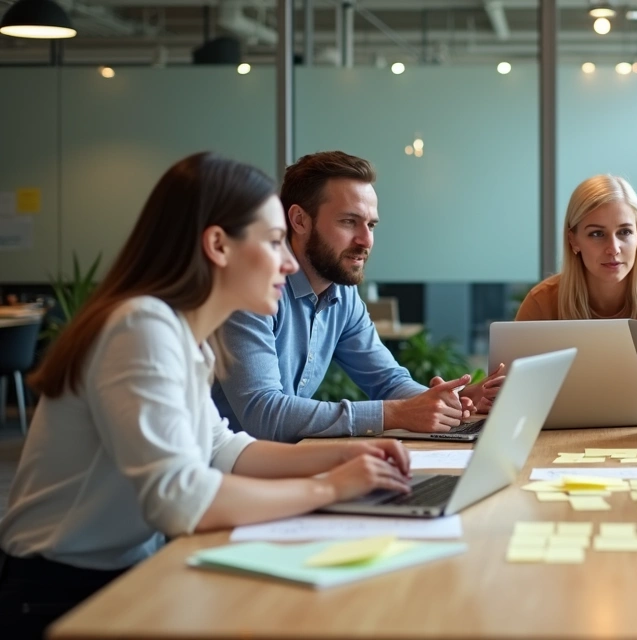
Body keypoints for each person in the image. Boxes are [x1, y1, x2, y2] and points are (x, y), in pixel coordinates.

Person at [0, 153, 416, 638]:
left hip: (126, 571)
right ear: (218, 245)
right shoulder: (140, 328)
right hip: (56, 592)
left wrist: (351, 454)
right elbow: (180, 499)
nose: (288, 262)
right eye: (274, 241)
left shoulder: (182, 335)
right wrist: (330, 488)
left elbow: (223, 449)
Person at [213, 151, 503, 442]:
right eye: (349, 222)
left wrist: (446, 402)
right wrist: (394, 413)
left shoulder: (342, 293)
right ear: (299, 220)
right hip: (226, 465)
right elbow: (262, 414)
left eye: (371, 225)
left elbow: (388, 381)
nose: (366, 240)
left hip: (283, 458)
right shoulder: (252, 288)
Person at [516, 174, 637, 388]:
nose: (613, 249)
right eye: (597, 234)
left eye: (625, 232)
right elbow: (511, 387)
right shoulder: (542, 301)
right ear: (573, 240)